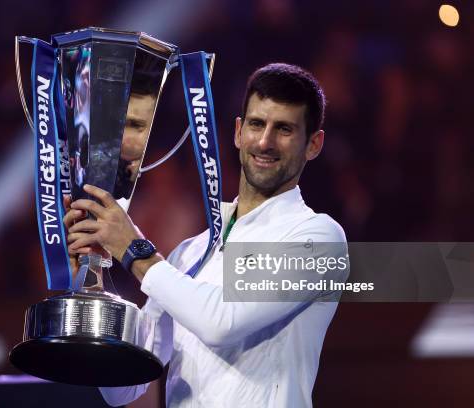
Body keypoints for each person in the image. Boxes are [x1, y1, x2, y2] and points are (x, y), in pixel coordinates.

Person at [65, 63, 348, 407]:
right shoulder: (191, 252)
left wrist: (132, 249)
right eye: (257, 124)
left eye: (284, 129)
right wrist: (94, 281)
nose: (265, 141)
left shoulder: (318, 236)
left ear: (313, 144)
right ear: (238, 132)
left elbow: (222, 322)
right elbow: (123, 387)